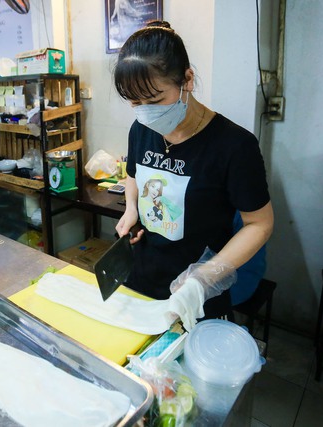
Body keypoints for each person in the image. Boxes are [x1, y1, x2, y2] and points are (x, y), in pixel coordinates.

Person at [113, 21, 274, 319]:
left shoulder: (234, 146)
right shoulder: (140, 129)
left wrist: (204, 278)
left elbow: (259, 225)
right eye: (135, 102)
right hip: (143, 276)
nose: (145, 111)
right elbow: (133, 175)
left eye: (156, 100)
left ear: (187, 79)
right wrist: (132, 209)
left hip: (199, 291)